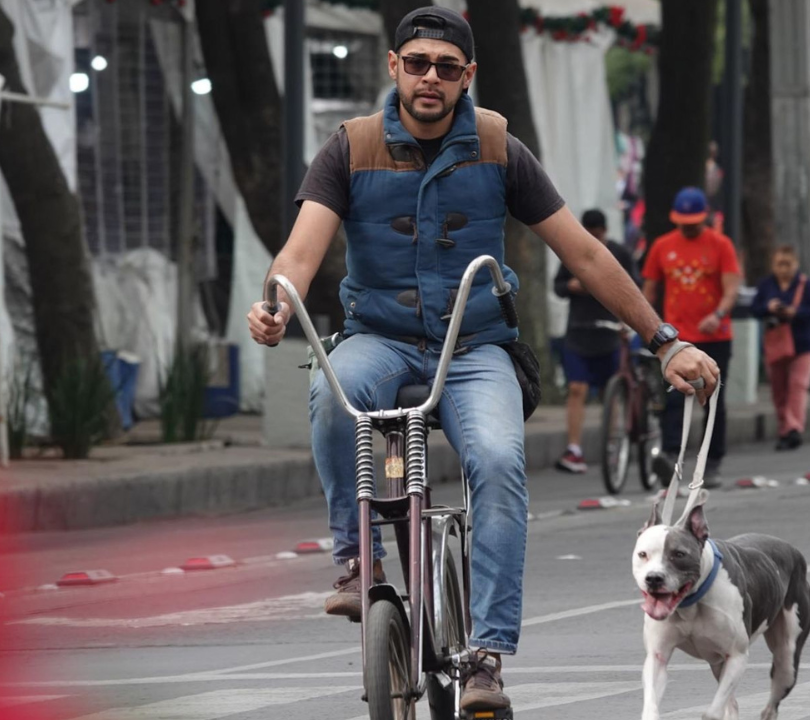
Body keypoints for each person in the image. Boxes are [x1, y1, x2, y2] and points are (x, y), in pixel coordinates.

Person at [243, 9, 720, 714]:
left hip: (476, 347)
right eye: (416, 63)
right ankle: (355, 558)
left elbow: (585, 254)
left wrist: (664, 340)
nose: (429, 77)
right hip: (380, 337)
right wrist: (278, 305)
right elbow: (301, 251)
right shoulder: (351, 146)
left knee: (498, 462)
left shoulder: (498, 146)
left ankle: (486, 657)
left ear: (467, 76)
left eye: (445, 66)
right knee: (332, 393)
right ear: (394, 68)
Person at [643, 187, 742, 489]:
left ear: (705, 218)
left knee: (713, 399)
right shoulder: (662, 246)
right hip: (676, 340)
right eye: (683, 222)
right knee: (675, 397)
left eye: (694, 222)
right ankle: (672, 456)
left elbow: (731, 287)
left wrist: (719, 313)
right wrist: (648, 325)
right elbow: (649, 290)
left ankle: (711, 462)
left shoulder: (720, 245)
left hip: (715, 336)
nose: (688, 227)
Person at [552, 209, 637, 474]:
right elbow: (558, 286)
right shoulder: (571, 251)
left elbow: (634, 286)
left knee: (608, 392)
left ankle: (612, 441)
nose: (592, 238)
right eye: (588, 233)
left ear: (604, 231)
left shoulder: (619, 253)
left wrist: (628, 321)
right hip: (579, 331)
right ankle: (574, 448)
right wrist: (573, 286)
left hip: (609, 331)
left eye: (597, 234)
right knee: (576, 388)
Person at [751, 245, 810, 451]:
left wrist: (794, 312)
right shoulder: (766, 285)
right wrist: (768, 308)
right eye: (779, 264)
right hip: (776, 344)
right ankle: (785, 429)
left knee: (798, 385)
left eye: (787, 264)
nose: (783, 269)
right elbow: (755, 309)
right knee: (779, 389)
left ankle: (794, 428)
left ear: (795, 264)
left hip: (803, 344)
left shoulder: (806, 285)